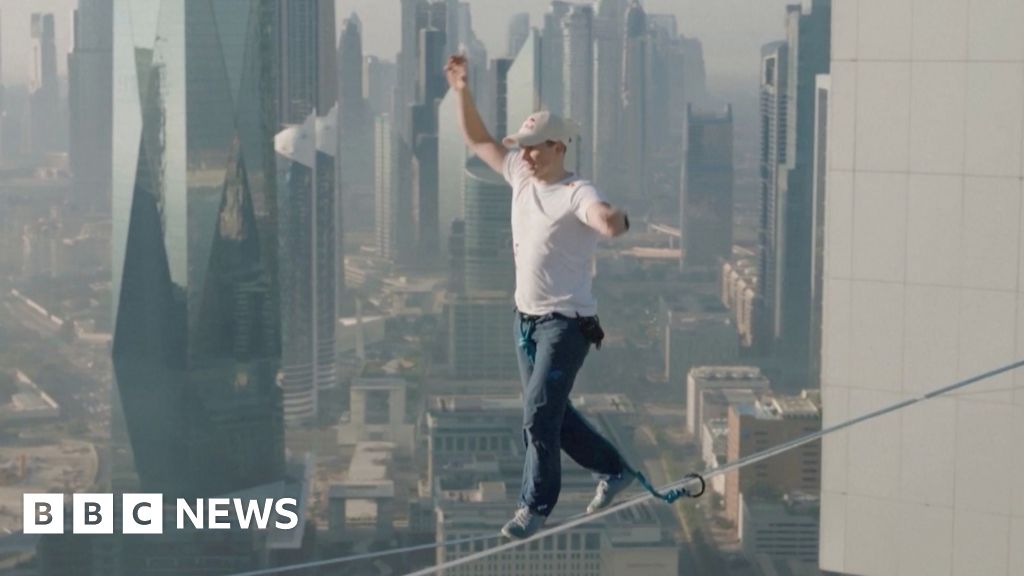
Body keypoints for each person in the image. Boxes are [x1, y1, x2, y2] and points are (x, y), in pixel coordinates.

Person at [444, 54, 635, 540]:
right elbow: (479, 140)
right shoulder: (520, 176)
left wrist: (613, 221)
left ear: (557, 146)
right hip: (525, 321)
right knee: (556, 418)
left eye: (533, 148)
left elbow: (599, 215)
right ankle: (614, 471)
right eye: (523, 148)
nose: (524, 155)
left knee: (536, 417)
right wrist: (462, 90)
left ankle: (534, 506)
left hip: (565, 325)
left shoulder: (575, 190)